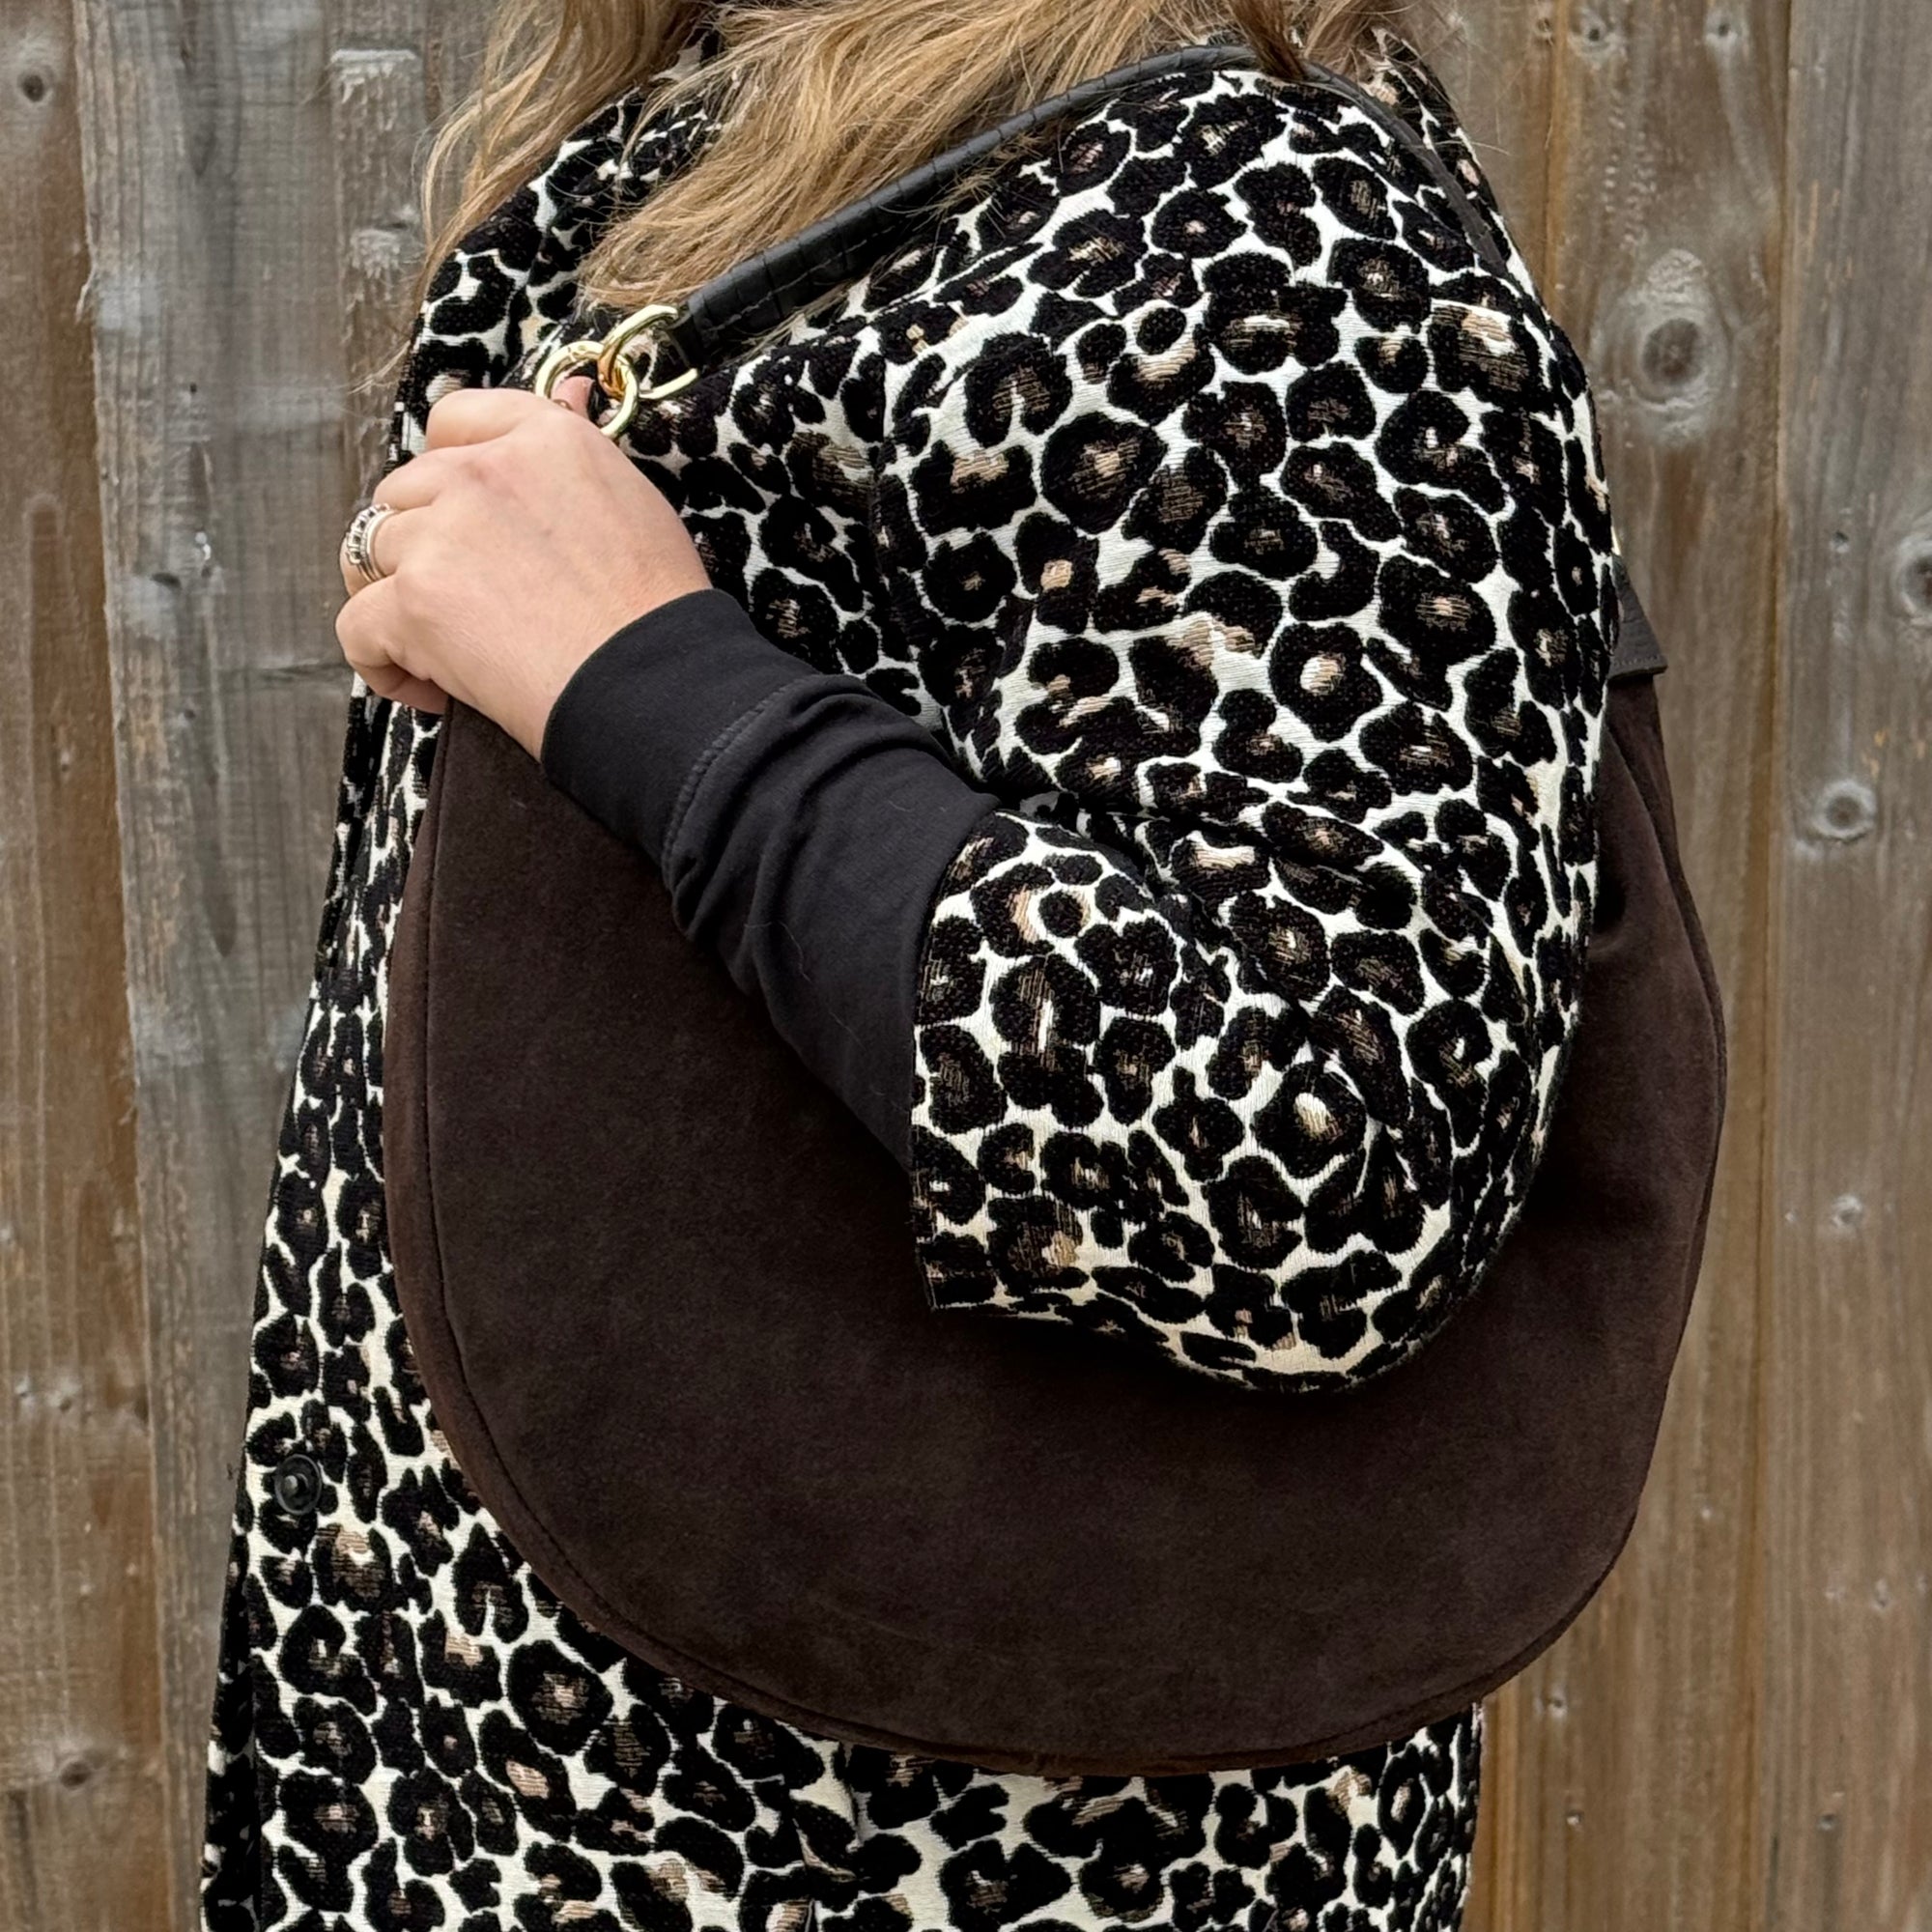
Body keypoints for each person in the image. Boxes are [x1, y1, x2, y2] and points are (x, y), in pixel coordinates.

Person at [202, 0, 1624, 1924]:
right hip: (495, 1762)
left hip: (931, 1843)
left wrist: (655, 688)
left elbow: (1325, 1167)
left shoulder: (1263, 228)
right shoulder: (689, 123)